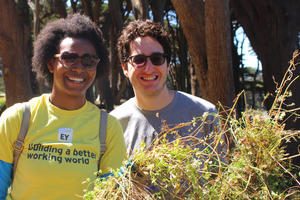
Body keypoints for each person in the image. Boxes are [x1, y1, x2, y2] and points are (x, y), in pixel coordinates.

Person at [0, 14, 126, 200]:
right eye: (69, 58)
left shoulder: (108, 128)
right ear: (51, 63)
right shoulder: (17, 118)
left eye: (88, 61)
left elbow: (112, 194)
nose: (79, 68)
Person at [110, 19, 220, 155]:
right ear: (125, 68)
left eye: (157, 58)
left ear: (168, 65)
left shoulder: (205, 114)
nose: (149, 68)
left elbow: (222, 174)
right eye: (139, 60)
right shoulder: (113, 124)